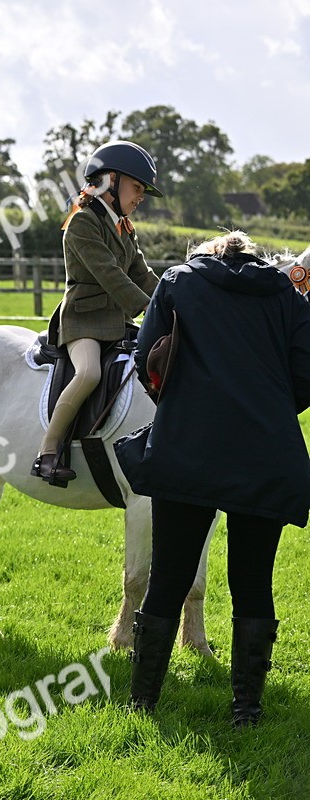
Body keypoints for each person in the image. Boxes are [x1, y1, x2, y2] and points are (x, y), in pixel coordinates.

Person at [116, 231, 310, 726]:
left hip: (188, 448)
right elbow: (306, 373)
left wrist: (182, 409)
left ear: (208, 253)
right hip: (267, 454)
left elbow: (147, 357)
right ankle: (246, 710)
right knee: (253, 583)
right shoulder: (288, 294)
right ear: (255, 257)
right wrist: (267, 412)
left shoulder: (179, 282)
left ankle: (143, 704)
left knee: (168, 578)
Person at [32, 140, 162, 484]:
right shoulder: (82, 223)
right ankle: (47, 452)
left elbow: (142, 275)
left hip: (119, 323)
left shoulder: (123, 228)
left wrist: (173, 298)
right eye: (137, 188)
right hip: (83, 321)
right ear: (110, 181)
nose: (141, 198)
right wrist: (149, 308)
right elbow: (110, 275)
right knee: (88, 373)